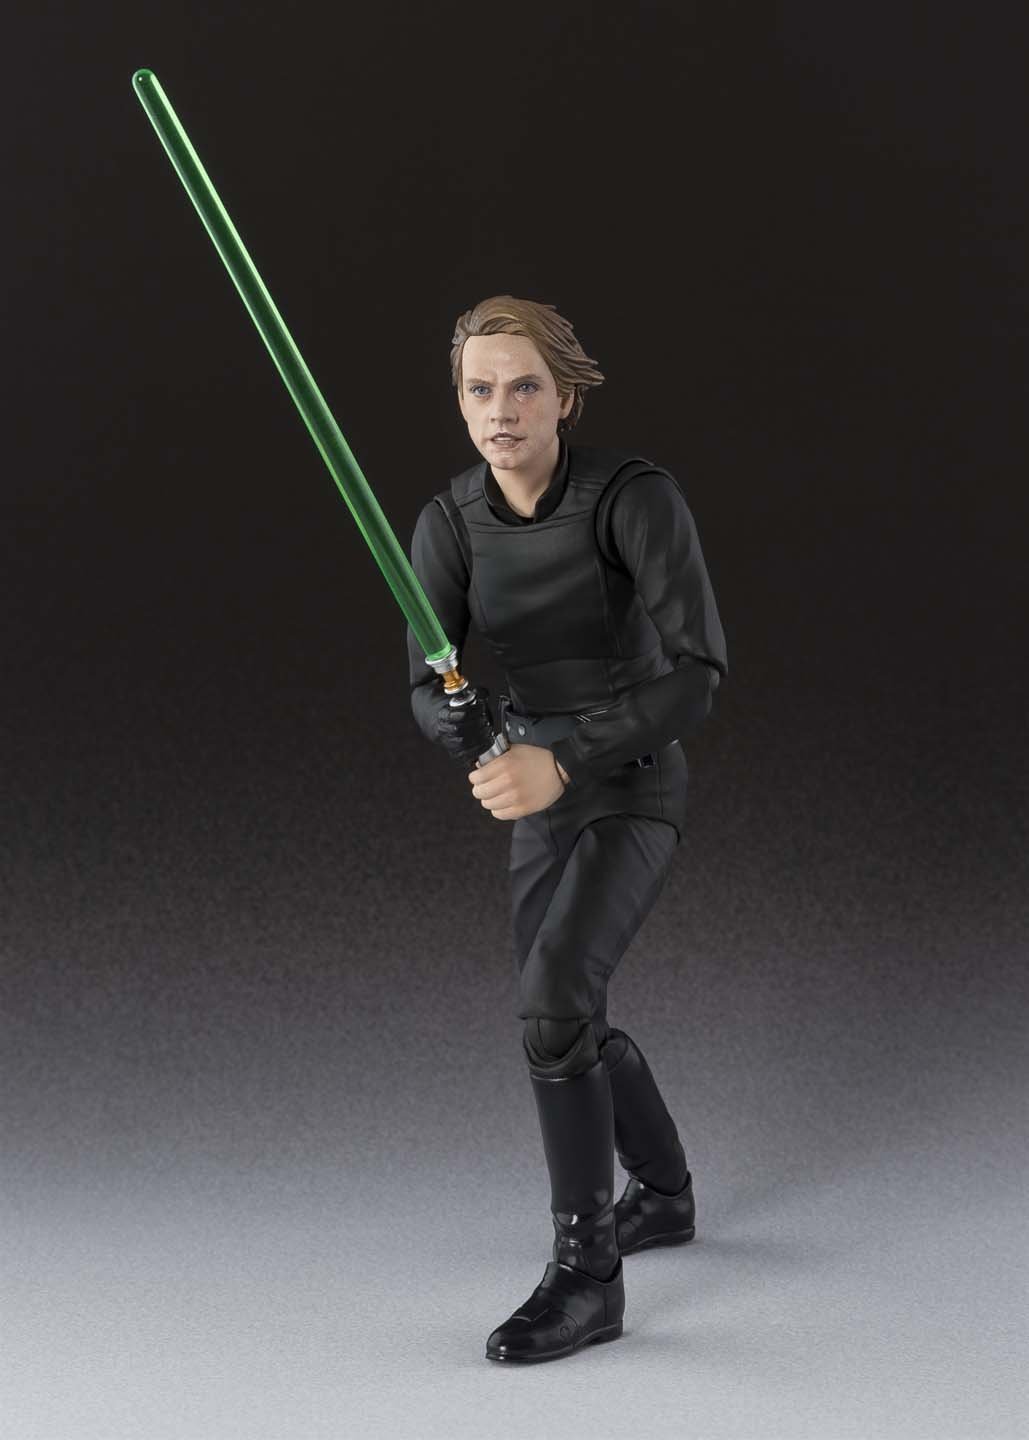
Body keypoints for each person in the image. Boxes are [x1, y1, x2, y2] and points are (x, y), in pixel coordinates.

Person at [406, 295, 728, 1363]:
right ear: (459, 402)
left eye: (524, 387)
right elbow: (423, 684)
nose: (501, 410)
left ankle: (589, 1278)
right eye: (479, 389)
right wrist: (459, 724)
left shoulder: (631, 498)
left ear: (565, 398)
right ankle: (665, 1196)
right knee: (558, 1017)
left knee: (552, 1004)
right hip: (534, 792)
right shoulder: (449, 521)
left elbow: (697, 675)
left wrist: (563, 756)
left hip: (628, 781)